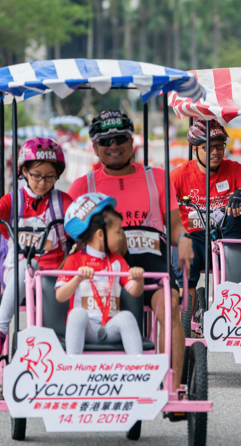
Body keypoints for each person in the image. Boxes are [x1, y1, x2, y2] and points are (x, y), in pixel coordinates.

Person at [67, 109, 192, 397]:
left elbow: (175, 228)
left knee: (170, 306)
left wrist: (185, 238)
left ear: (132, 140)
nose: (113, 146)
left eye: (120, 138)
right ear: (95, 146)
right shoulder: (81, 186)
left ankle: (169, 389)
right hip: (103, 270)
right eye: (105, 140)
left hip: (151, 263)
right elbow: (71, 239)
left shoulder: (158, 178)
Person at [0, 138, 71, 356]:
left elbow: (81, 229)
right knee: (27, 264)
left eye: (50, 177)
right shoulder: (13, 200)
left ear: (57, 175)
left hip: (56, 274)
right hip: (17, 271)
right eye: (36, 175)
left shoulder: (63, 202)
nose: (43, 182)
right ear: (24, 171)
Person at [170, 119, 241, 313]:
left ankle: (237, 310)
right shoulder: (179, 175)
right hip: (193, 239)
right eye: (209, 147)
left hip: (227, 238)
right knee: (181, 264)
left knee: (235, 218)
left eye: (220, 146)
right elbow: (163, 205)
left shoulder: (233, 168)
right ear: (195, 150)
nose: (215, 152)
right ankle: (185, 325)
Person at [56, 193, 145, 356]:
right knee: (77, 314)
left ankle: (139, 368)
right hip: (86, 329)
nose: (121, 237)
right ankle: (72, 366)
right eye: (118, 232)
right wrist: (77, 278)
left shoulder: (118, 261)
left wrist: (138, 279)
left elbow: (135, 292)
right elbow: (60, 296)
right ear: (100, 234)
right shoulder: (74, 261)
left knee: (126, 317)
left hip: (111, 327)